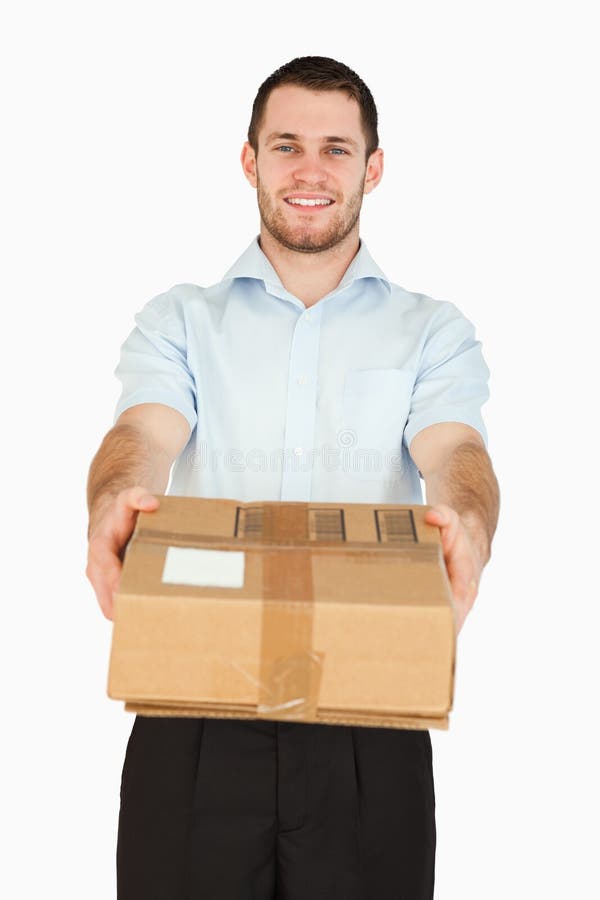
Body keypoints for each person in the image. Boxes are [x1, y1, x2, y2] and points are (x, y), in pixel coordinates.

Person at [86, 56, 499, 900]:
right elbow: (142, 432)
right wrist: (112, 500)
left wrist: (469, 521)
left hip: (369, 710)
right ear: (251, 161)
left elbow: (454, 451)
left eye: (337, 149)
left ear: (372, 168)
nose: (311, 170)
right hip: (193, 703)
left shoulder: (433, 331)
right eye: (287, 145)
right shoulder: (180, 321)